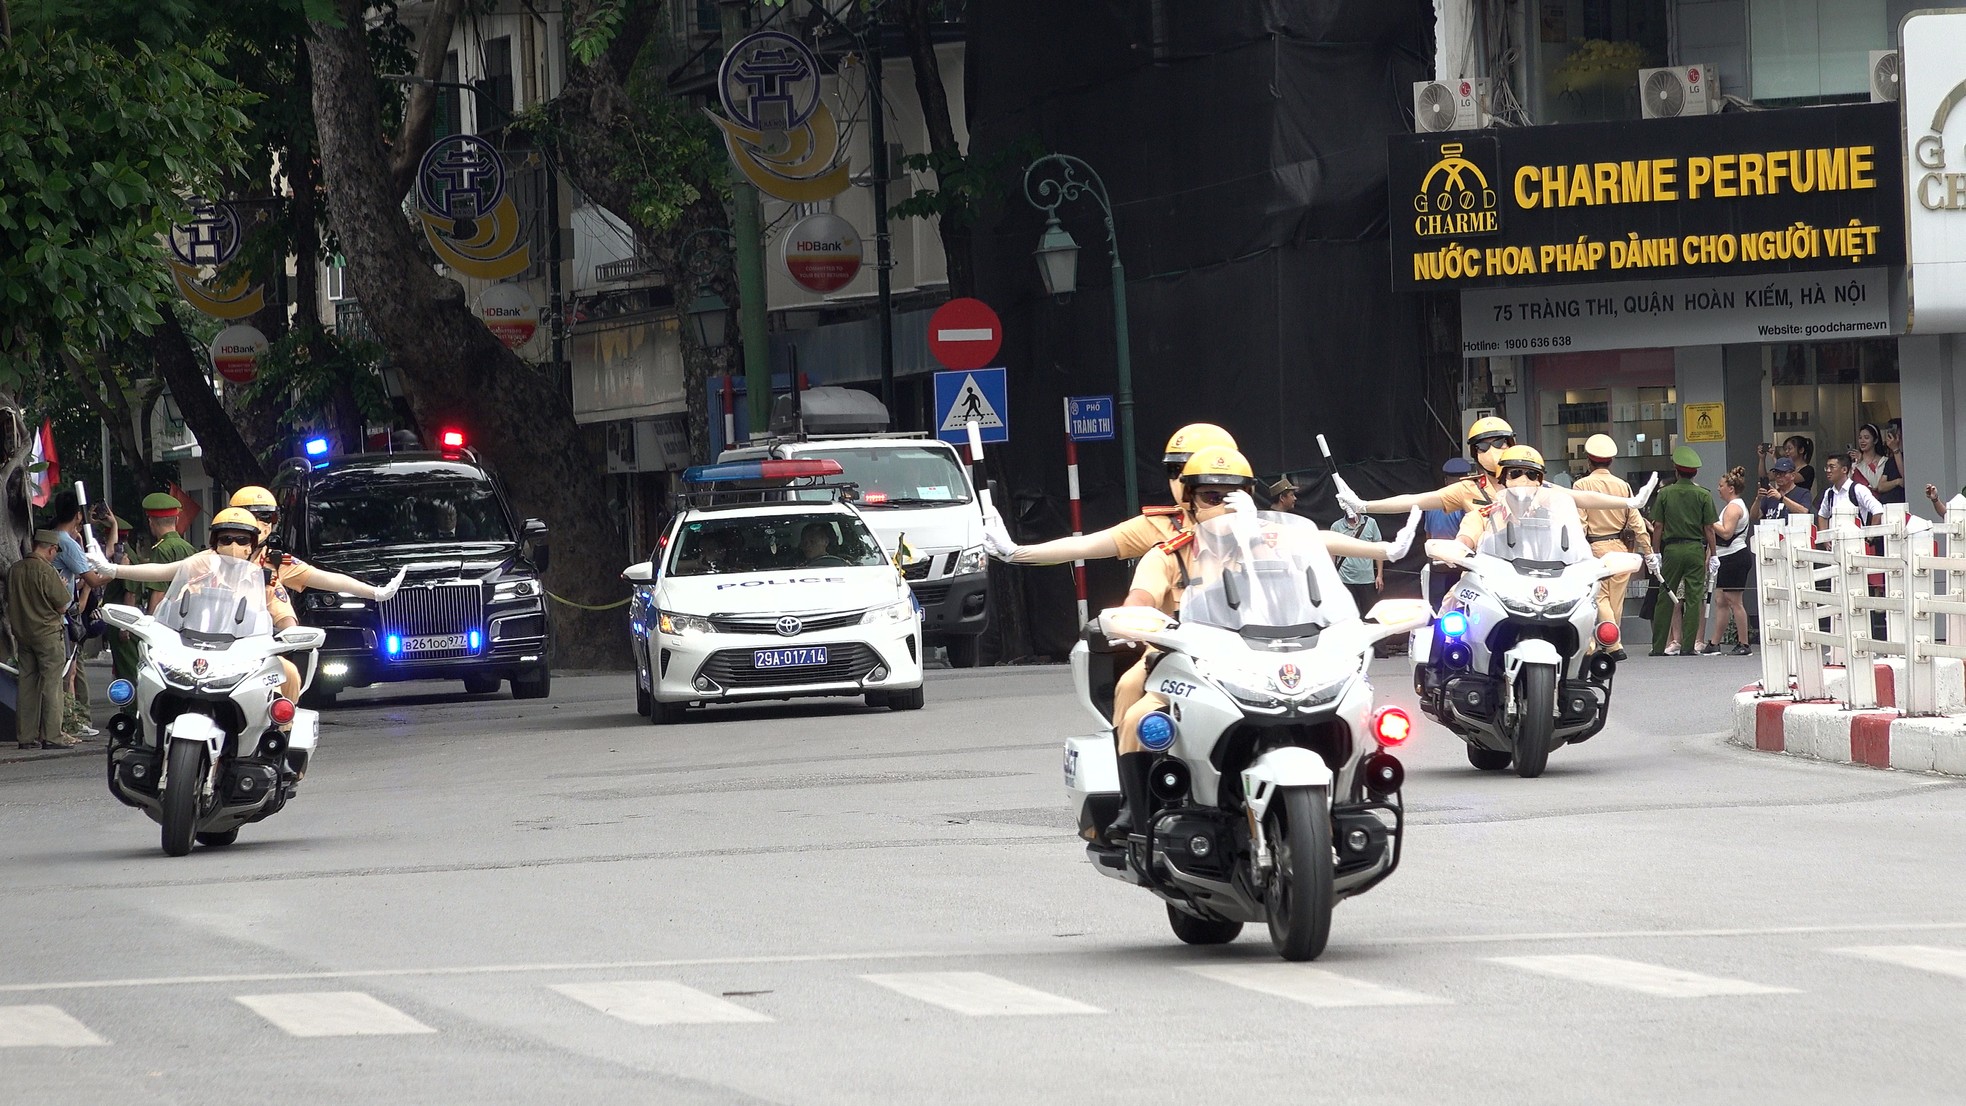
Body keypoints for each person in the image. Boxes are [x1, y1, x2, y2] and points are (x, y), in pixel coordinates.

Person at [1105, 446, 1416, 844]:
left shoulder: (1272, 545)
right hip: (1195, 663)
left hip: (1271, 660)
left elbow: (1313, 570)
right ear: (1190, 502)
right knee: (1138, 717)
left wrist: (1385, 553)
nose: (1222, 505)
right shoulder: (1173, 553)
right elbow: (1141, 600)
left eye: (1233, 495)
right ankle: (1138, 816)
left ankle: (1349, 801)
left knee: (1359, 706)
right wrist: (1135, 618)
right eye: (1211, 497)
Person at [982, 423, 1239, 566]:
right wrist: (1016, 552)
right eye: (1174, 470)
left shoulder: (1261, 527)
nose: (1179, 479)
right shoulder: (1162, 525)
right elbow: (1082, 545)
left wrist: (1251, 532)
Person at [1335, 416, 1657, 521]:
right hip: (1485, 579)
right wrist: (1365, 505)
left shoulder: (1532, 483)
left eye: (1500, 443)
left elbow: (1577, 498)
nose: (1493, 452)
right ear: (1474, 454)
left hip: (1533, 573)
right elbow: (1417, 499)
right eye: (1483, 447)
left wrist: (1629, 502)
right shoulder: (1469, 489)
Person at [1573, 434, 1655, 659]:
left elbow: (1580, 523)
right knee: (1616, 599)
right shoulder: (1623, 485)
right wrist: (1648, 552)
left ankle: (1612, 644)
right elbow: (1636, 521)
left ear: (1589, 460)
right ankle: (1611, 641)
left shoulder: (1581, 484)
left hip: (1595, 547)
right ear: (1611, 461)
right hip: (1620, 547)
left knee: (1598, 598)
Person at [110, 493, 200, 683]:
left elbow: (158, 592)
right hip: (187, 622)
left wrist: (149, 627)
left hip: (165, 623)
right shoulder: (188, 548)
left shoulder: (161, 549)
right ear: (176, 519)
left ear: (151, 521)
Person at [8, 531, 80, 749]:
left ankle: (26, 737)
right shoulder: (46, 571)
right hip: (47, 634)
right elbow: (62, 605)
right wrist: (61, 582)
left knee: (27, 685)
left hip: (23, 633)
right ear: (51, 549)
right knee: (52, 684)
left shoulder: (15, 570)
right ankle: (52, 736)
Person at [1647, 447, 1718, 658]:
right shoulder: (1704, 494)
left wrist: (1656, 551)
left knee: (1665, 595)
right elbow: (1709, 529)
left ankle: (1659, 646)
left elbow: (1658, 525)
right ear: (1694, 473)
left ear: (1676, 471)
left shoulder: (1665, 493)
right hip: (1696, 548)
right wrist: (1713, 554)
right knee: (1695, 597)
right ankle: (1688, 646)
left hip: (1672, 549)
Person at [1699, 467, 1754, 656]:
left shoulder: (1734, 507)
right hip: (1726, 556)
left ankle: (1744, 643)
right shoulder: (1730, 506)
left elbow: (1726, 532)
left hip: (1735, 556)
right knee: (1721, 599)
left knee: (1734, 601)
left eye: (1721, 485)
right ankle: (1715, 642)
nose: (1718, 488)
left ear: (1731, 488)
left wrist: (1708, 520)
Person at [1421, 458, 1473, 611]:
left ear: (1446, 480)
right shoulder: (1466, 506)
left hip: (1437, 564)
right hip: (1459, 566)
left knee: (1437, 607)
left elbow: (1428, 536)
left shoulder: (1431, 505)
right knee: (1459, 607)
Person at [1329, 509, 1382, 614]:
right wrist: (1332, 577)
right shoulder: (1336, 526)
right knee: (1346, 615)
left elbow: (1378, 549)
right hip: (1344, 579)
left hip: (1366, 578)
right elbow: (1332, 553)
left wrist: (1379, 575)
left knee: (1370, 615)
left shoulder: (1371, 523)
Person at [1815, 452, 1883, 529]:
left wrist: (1870, 536)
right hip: (1835, 539)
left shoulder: (1858, 489)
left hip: (1857, 538)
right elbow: (1822, 516)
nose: (1828, 470)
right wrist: (1826, 540)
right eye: (1826, 467)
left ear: (1844, 469)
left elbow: (1878, 510)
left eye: (1832, 467)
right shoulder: (1829, 493)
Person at [1875, 419, 1906, 505]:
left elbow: (1906, 478)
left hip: (1901, 504)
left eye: (1898, 434)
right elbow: (1881, 486)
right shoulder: (1890, 461)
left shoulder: (1908, 457)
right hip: (1886, 505)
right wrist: (1897, 482)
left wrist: (1896, 450)